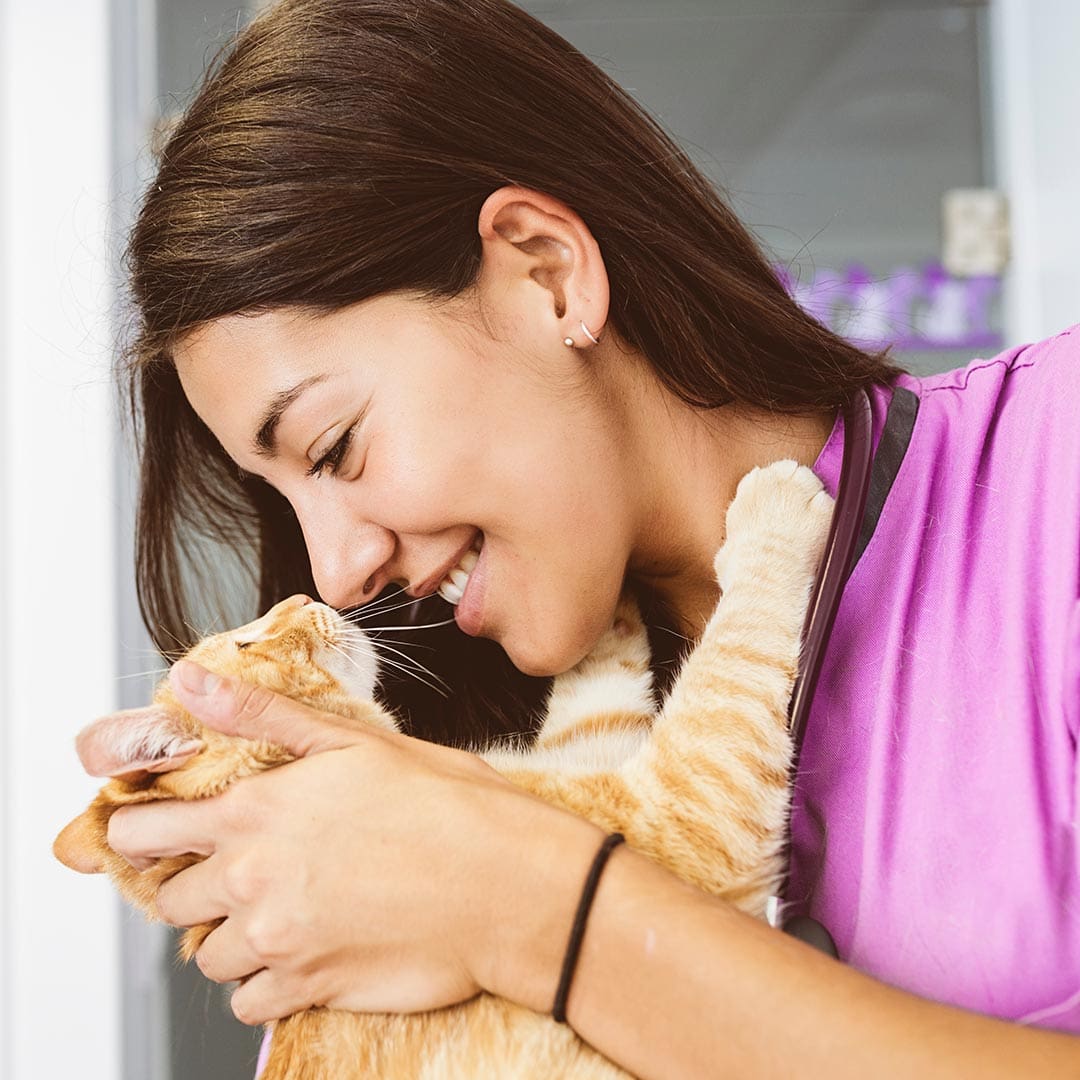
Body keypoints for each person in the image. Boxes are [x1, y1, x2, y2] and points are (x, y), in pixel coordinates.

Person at [90, 0, 1079, 1074]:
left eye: (333, 447)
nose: (336, 573)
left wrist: (536, 906)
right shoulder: (468, 753)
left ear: (546, 272)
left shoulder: (1054, 469)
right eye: (283, 502)